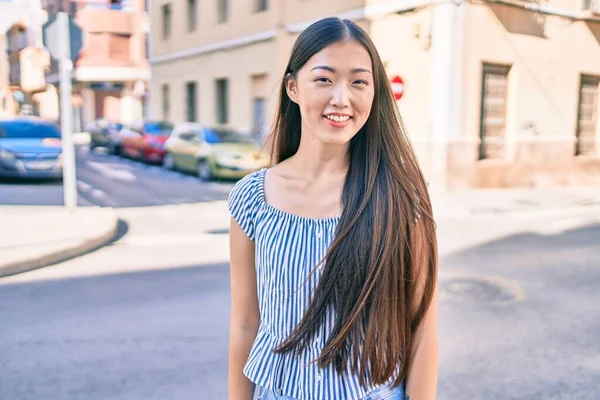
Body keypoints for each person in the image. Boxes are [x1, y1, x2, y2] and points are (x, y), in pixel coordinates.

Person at [228, 17, 438, 400]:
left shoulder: (402, 197)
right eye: (324, 79)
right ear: (293, 87)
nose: (341, 98)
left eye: (359, 81)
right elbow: (245, 323)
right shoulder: (252, 197)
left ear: (375, 94)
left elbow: (422, 329)